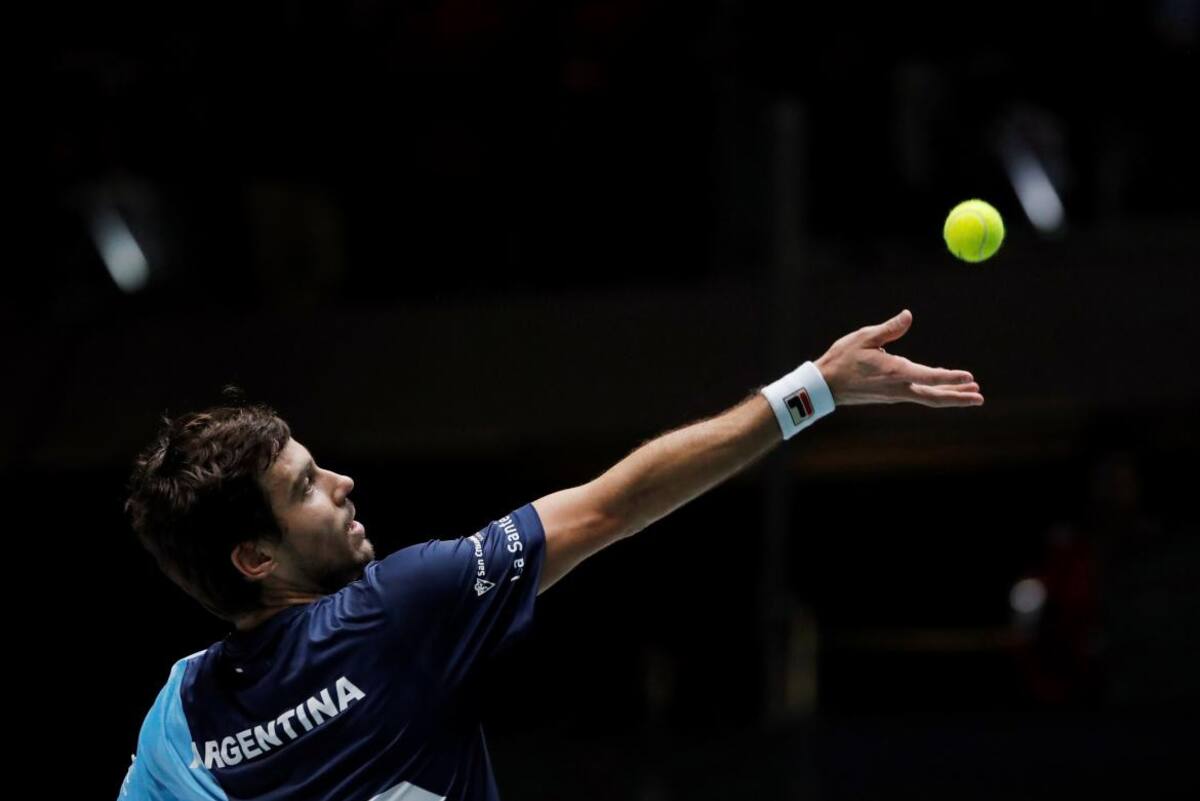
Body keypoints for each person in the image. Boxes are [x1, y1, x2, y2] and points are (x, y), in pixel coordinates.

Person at [118, 309, 982, 800]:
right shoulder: (397, 609)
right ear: (254, 558)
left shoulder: (179, 719)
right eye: (306, 487)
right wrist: (816, 388)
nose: (342, 482)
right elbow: (615, 501)